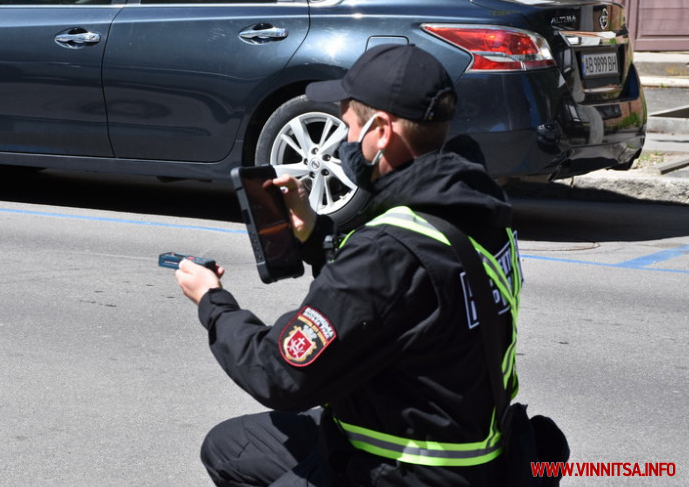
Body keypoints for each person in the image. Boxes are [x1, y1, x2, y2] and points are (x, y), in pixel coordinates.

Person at [174, 44, 522, 487]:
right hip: (470, 447)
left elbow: (279, 375)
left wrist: (213, 302)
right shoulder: (475, 210)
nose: (344, 142)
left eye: (349, 126)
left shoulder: (391, 246)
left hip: (408, 471)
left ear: (380, 131)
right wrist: (315, 235)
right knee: (231, 445)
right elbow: (395, 299)